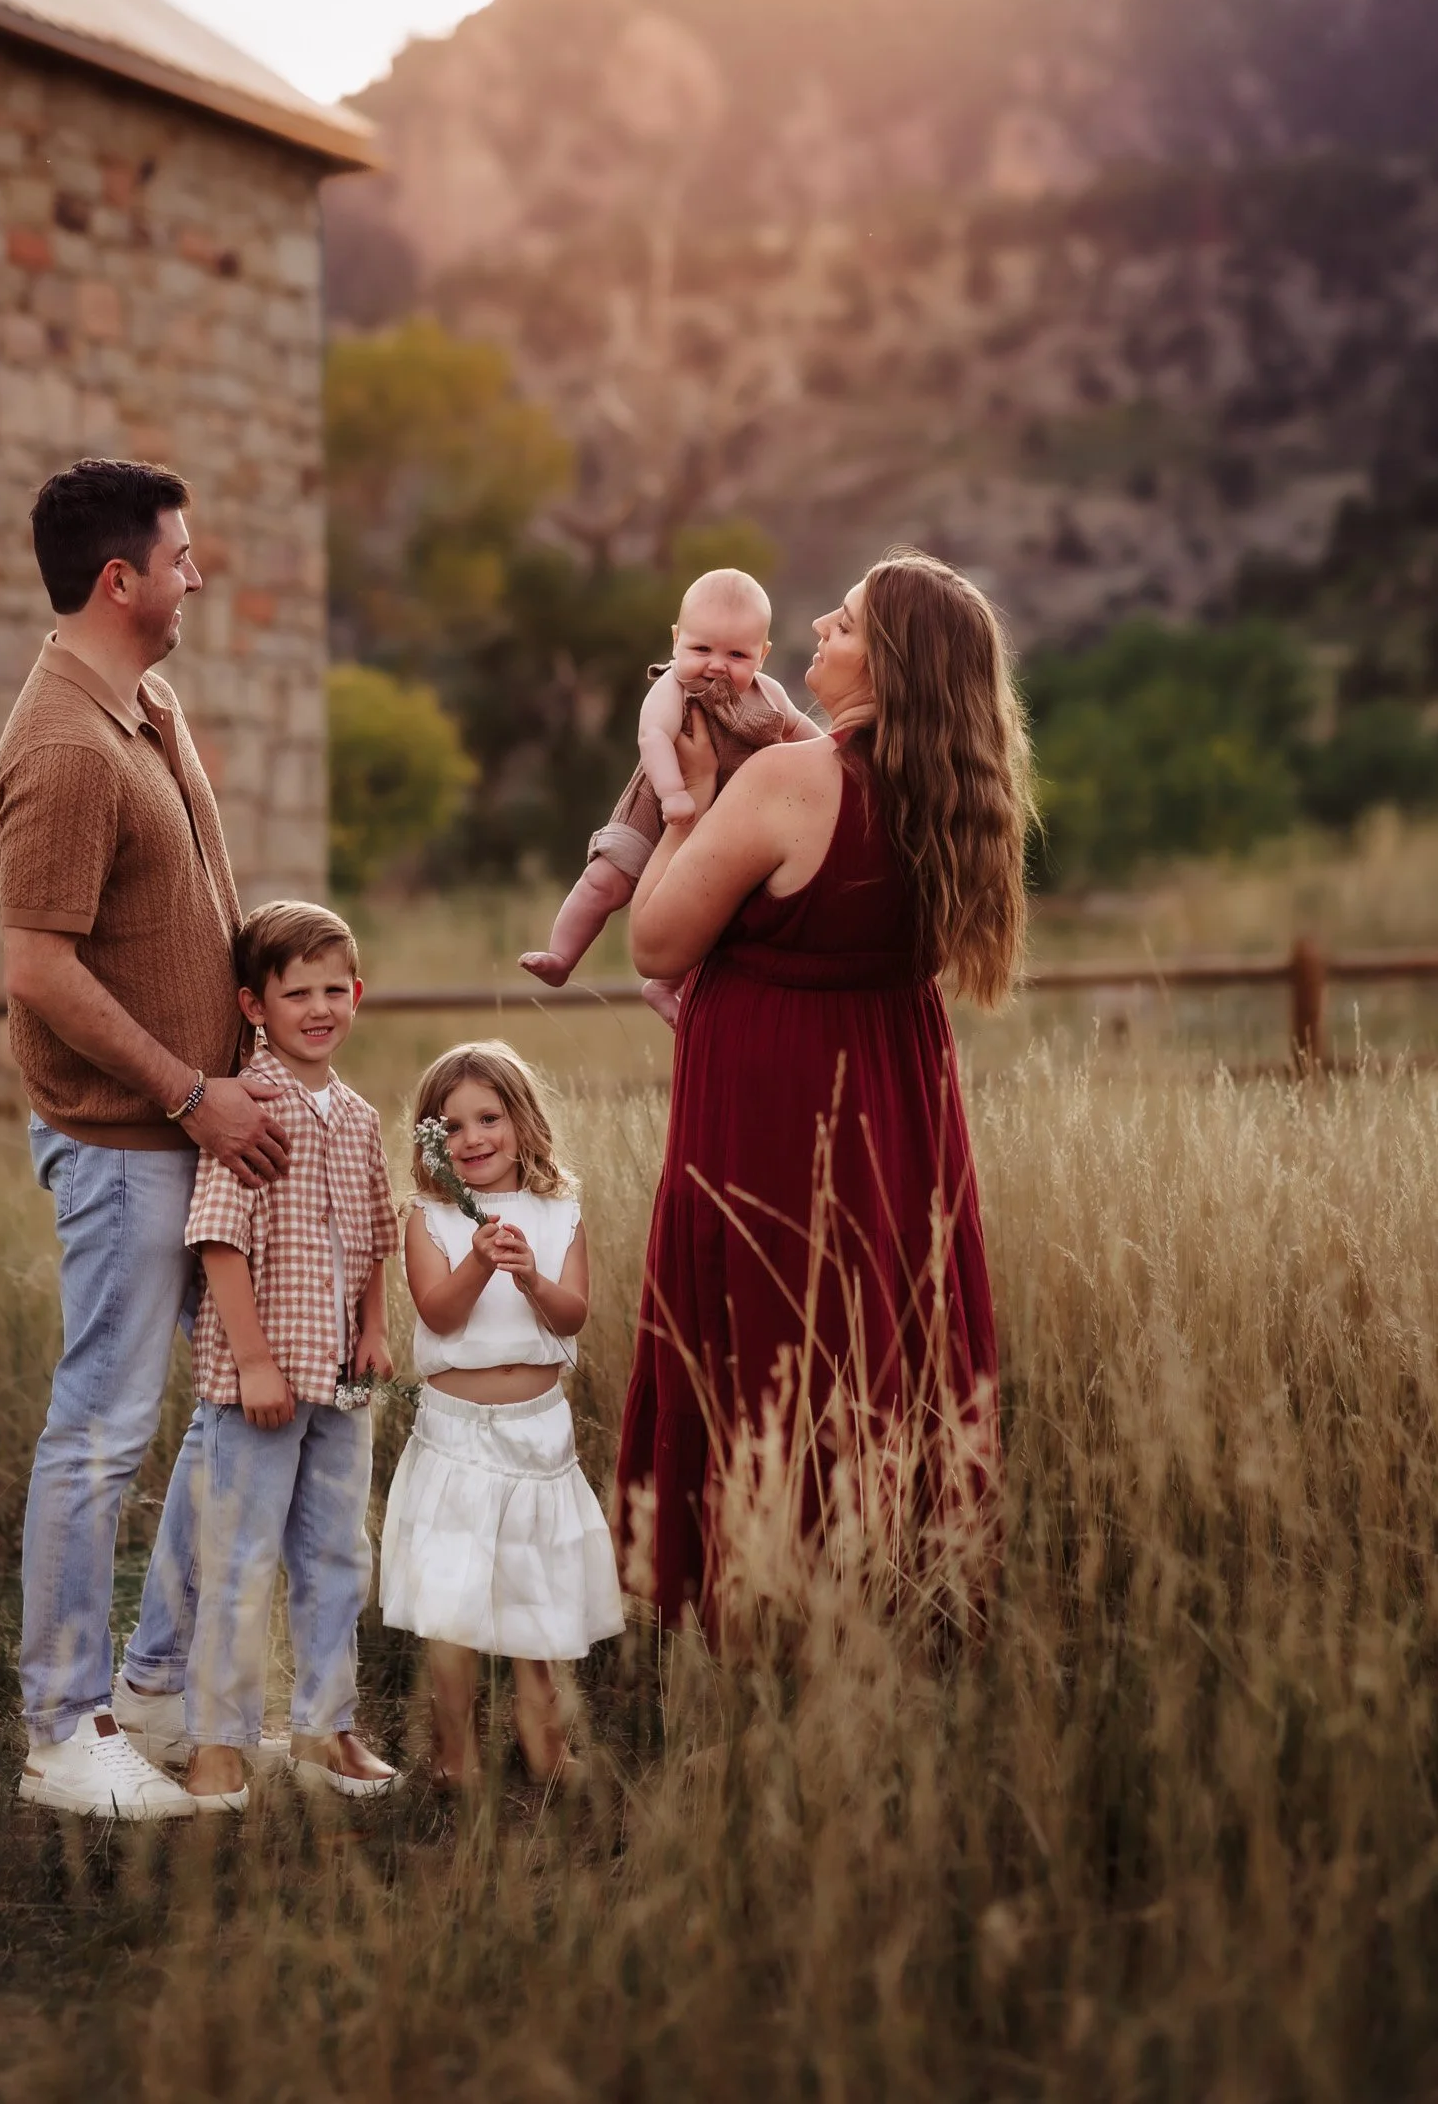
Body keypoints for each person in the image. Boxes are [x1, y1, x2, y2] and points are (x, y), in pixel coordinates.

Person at [614, 547, 1032, 1637]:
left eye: (841, 624)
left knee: (766, 1332)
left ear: (887, 667)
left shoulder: (792, 781)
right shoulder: (956, 802)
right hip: (897, 1099)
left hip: (769, 1104)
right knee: (887, 1322)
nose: (813, 630)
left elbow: (653, 938)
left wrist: (686, 808)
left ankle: (762, 1610)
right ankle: (893, 1592)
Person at [0, 457, 289, 1820]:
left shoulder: (148, 702)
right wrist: (188, 1092)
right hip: (128, 1143)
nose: (197, 576)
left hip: (204, 1134)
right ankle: (63, 1732)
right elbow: (39, 968)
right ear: (121, 580)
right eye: (181, 558)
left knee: (243, 1406)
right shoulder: (60, 744)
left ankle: (164, 1684)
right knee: (101, 1432)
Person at [175, 901, 401, 1812]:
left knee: (338, 1555)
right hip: (257, 1385)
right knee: (238, 1561)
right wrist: (256, 1362)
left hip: (343, 1382)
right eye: (294, 991)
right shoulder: (245, 1105)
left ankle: (323, 1724)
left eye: (332, 988)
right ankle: (218, 1742)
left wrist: (377, 1329)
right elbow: (218, 1243)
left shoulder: (356, 1114)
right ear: (253, 1004)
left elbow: (378, 1238)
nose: (318, 1006)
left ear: (357, 993)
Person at [380, 1042, 623, 1787]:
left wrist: (529, 1279)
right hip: (457, 1437)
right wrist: (479, 1260)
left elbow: (572, 1316)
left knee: (536, 1592)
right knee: (454, 1603)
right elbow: (439, 1315)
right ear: (431, 1142)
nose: (473, 1138)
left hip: (538, 1434)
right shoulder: (427, 1218)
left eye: (488, 1118)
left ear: (520, 1121)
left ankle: (543, 1741)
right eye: (449, 1127)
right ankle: (455, 1752)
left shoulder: (558, 1212)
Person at [520, 568, 820, 1026]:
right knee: (604, 880)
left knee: (706, 913)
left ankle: (663, 986)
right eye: (701, 649)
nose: (716, 664)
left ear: (763, 655)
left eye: (736, 654)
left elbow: (806, 735)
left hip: (727, 821)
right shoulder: (674, 686)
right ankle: (562, 955)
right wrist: (674, 793)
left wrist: (840, 758)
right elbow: (654, 737)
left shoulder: (771, 696)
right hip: (656, 807)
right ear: (677, 639)